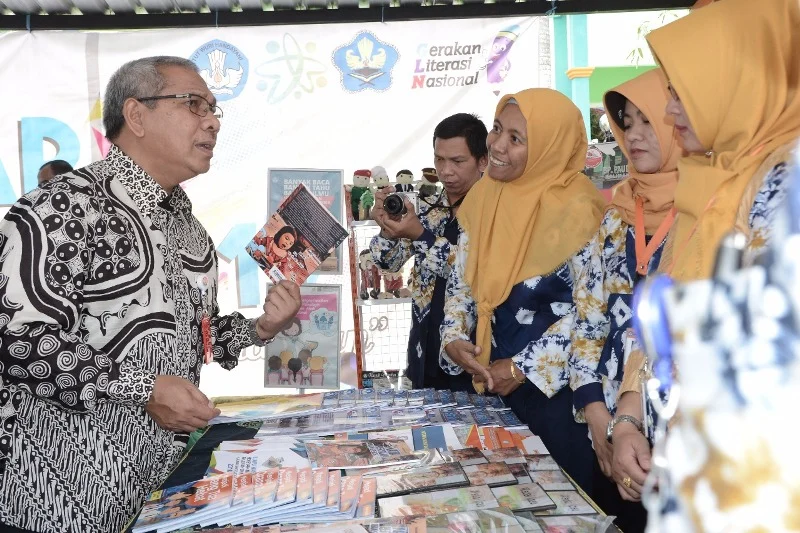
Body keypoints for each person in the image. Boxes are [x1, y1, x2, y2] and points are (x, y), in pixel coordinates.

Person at [0, 56, 302, 533]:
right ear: (136, 115)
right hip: (61, 501)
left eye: (215, 108)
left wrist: (262, 327)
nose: (213, 121)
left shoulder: (191, 230)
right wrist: (145, 390)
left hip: (161, 491)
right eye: (194, 105)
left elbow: (199, 340)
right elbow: (19, 343)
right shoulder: (62, 207)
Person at [610, 0, 800, 508]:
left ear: (737, 79)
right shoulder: (719, 182)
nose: (669, 113)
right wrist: (629, 415)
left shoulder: (784, 183)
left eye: (679, 93)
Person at [440, 89, 605, 493]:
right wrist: (455, 338)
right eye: (498, 129)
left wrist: (522, 367)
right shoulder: (482, 200)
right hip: (490, 390)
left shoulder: (582, 211)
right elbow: (462, 282)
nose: (496, 145)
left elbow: (593, 313)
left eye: (516, 138)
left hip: (560, 402)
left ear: (551, 147)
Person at [570, 68, 680, 532]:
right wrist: (599, 419)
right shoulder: (614, 215)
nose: (633, 135)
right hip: (611, 433)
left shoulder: (704, 214)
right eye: (626, 122)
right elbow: (587, 322)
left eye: (647, 121)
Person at [370, 113, 488, 390]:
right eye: (439, 159)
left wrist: (419, 235)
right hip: (423, 347)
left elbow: (469, 272)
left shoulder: (493, 212)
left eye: (458, 161)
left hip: (470, 349)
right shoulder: (427, 208)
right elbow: (388, 262)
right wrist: (387, 228)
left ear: (482, 160)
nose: (446, 171)